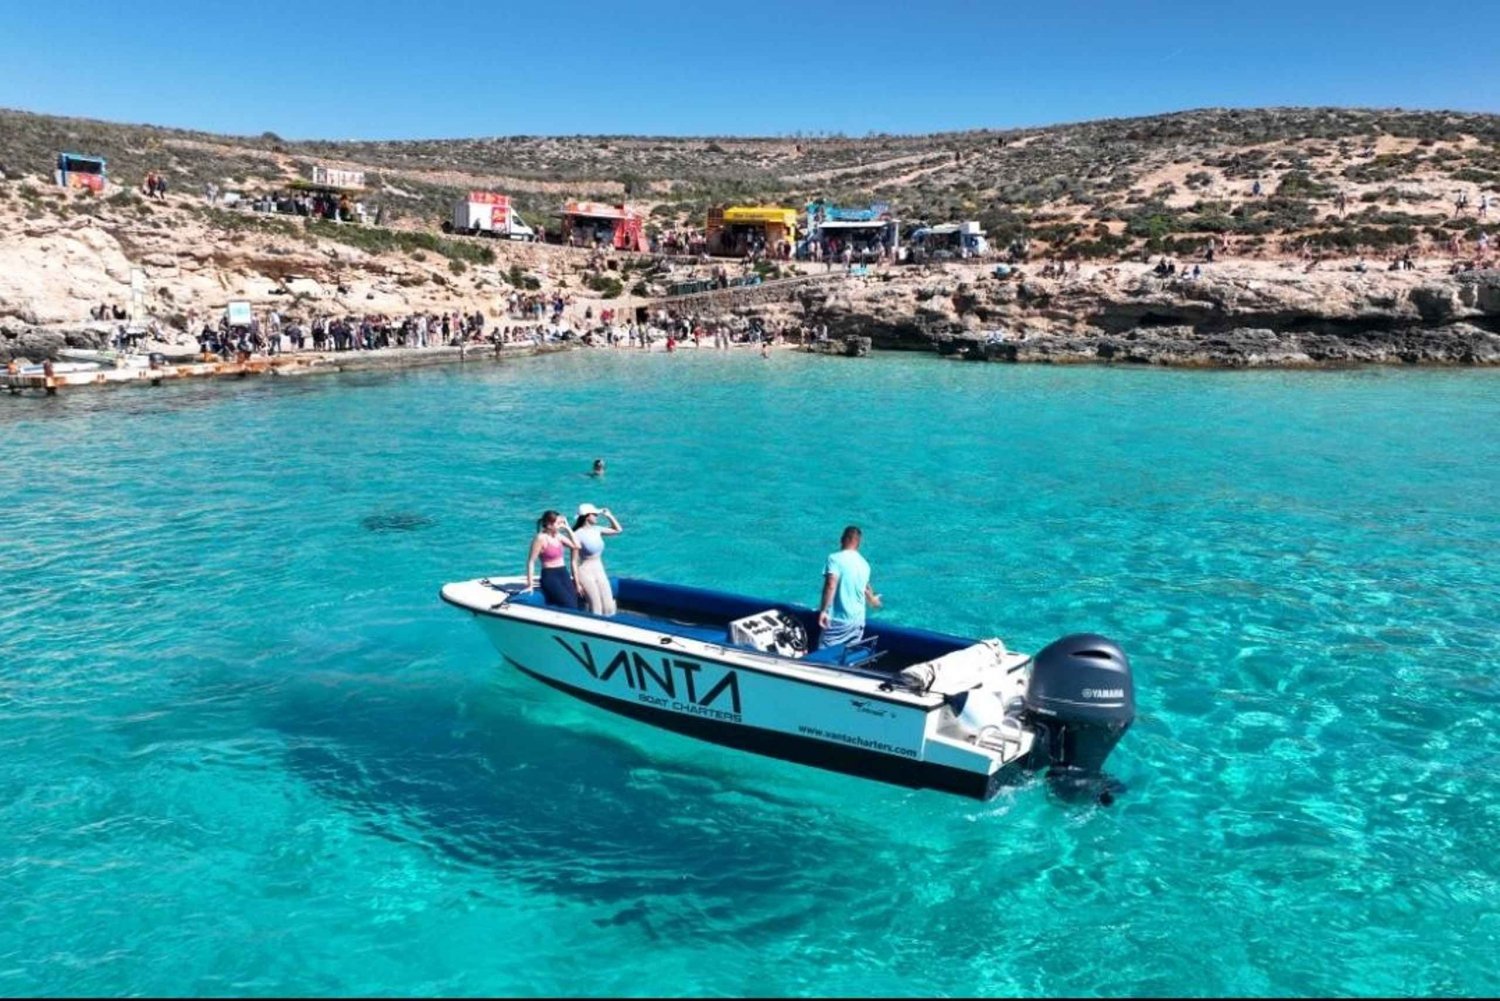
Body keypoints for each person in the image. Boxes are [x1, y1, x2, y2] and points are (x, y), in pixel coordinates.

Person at [816, 525, 882, 649]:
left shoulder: (834, 559)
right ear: (859, 543)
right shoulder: (865, 564)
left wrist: (823, 611)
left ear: (842, 539)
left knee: (823, 656)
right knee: (847, 655)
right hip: (858, 621)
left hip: (838, 620)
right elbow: (866, 588)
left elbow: (831, 584)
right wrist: (873, 600)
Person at [571, 503, 623, 615]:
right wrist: (577, 583)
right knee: (596, 606)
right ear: (586, 516)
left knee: (609, 605)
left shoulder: (597, 529)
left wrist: (609, 515)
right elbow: (574, 561)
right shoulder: (576, 534)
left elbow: (618, 530)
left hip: (599, 569)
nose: (596, 516)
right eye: (594, 514)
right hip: (585, 572)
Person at [525, 509, 581, 608]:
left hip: (563, 573)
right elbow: (531, 562)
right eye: (559, 523)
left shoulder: (559, 536)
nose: (561, 525)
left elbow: (577, 546)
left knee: (574, 602)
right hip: (550, 575)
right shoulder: (540, 538)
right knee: (568, 604)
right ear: (550, 524)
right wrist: (530, 585)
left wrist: (568, 528)